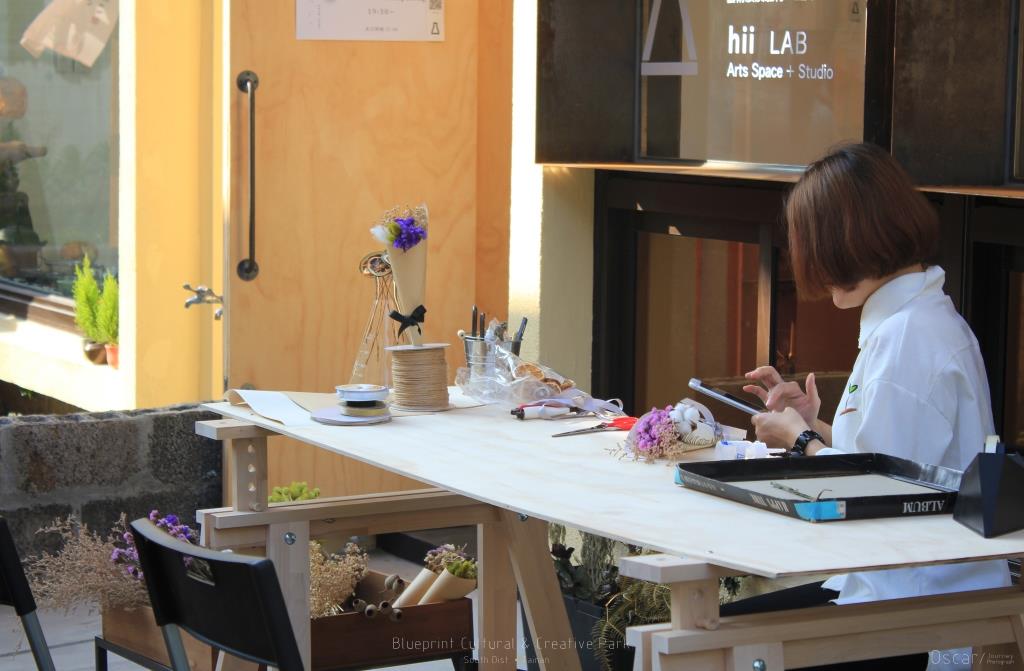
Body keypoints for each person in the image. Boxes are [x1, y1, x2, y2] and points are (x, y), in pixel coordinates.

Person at [732, 142, 1010, 671]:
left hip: (909, 614)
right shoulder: (921, 320)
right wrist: (814, 425)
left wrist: (799, 439)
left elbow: (876, 492)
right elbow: (898, 462)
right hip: (907, 591)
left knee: (707, 646)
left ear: (846, 244)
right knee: (717, 636)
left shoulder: (905, 338)